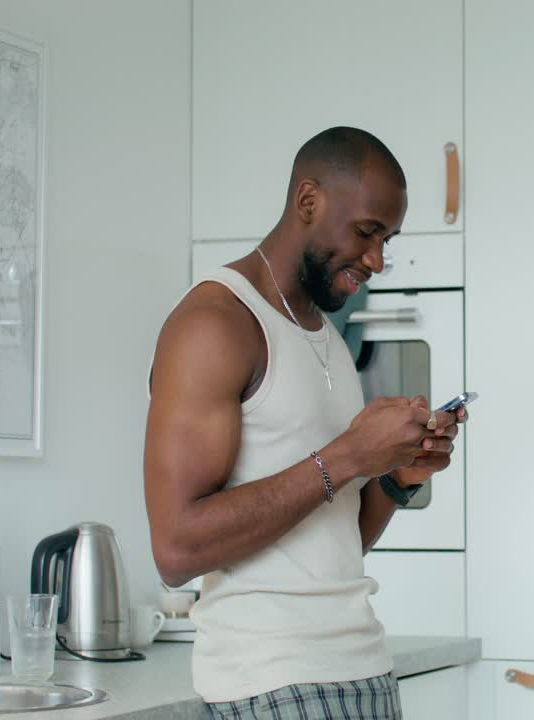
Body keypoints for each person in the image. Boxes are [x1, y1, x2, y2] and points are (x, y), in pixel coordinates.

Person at [143, 126, 466, 719]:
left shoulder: (323, 336)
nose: (377, 259)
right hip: (271, 685)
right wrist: (346, 456)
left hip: (364, 672)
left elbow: (333, 545)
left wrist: (397, 478)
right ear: (308, 201)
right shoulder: (215, 324)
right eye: (367, 232)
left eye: (387, 239)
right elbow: (176, 546)